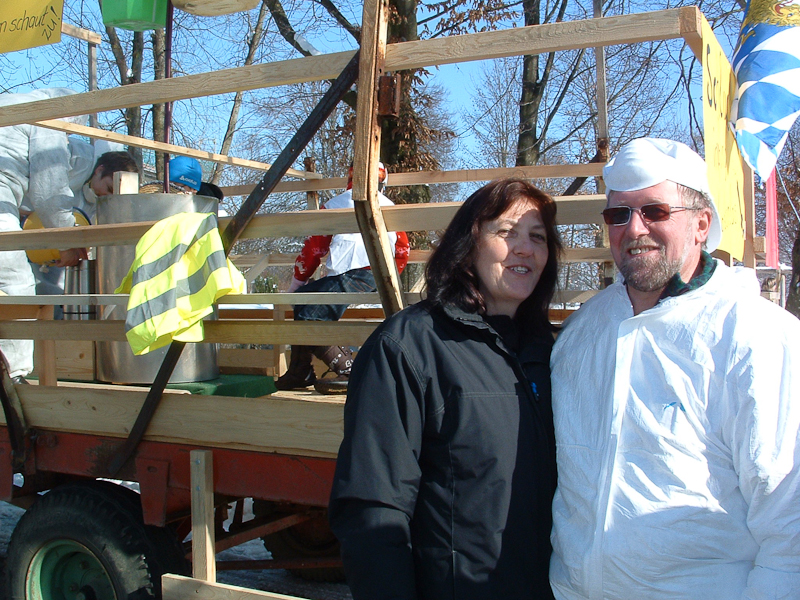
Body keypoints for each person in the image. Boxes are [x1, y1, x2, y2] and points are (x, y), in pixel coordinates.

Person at [549, 138, 800, 600]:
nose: (634, 228)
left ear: (701, 224)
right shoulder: (582, 334)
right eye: (618, 214)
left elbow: (789, 524)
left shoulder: (756, 337)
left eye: (655, 211)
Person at [329, 178, 562, 600]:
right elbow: (373, 509)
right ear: (468, 243)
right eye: (507, 232)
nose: (525, 249)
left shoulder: (553, 352)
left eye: (538, 237)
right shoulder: (409, 347)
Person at [275, 162, 409, 394]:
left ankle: (349, 369)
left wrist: (298, 281)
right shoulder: (390, 207)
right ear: (382, 182)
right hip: (375, 274)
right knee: (303, 299)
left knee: (310, 314)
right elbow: (402, 250)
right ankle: (300, 370)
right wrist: (389, 278)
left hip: (352, 273)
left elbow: (314, 249)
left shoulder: (335, 205)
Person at [0, 88, 88, 381]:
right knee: (15, 287)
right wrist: (67, 241)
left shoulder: (10, 104)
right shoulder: (49, 115)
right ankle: (13, 379)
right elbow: (49, 191)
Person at [26, 143, 139, 316]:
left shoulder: (97, 198)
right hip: (27, 223)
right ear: (99, 170)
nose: (108, 196)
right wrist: (66, 244)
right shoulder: (74, 160)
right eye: (109, 188)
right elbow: (49, 199)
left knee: (55, 294)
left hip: (53, 249)